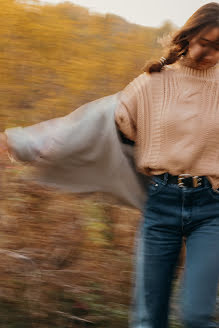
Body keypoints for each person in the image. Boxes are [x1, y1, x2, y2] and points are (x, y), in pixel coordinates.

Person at [0, 2, 218, 328]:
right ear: (188, 37)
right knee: (147, 319)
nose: (211, 53)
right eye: (206, 43)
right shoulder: (151, 84)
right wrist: (19, 142)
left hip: (212, 208)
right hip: (161, 204)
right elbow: (90, 123)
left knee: (197, 316)